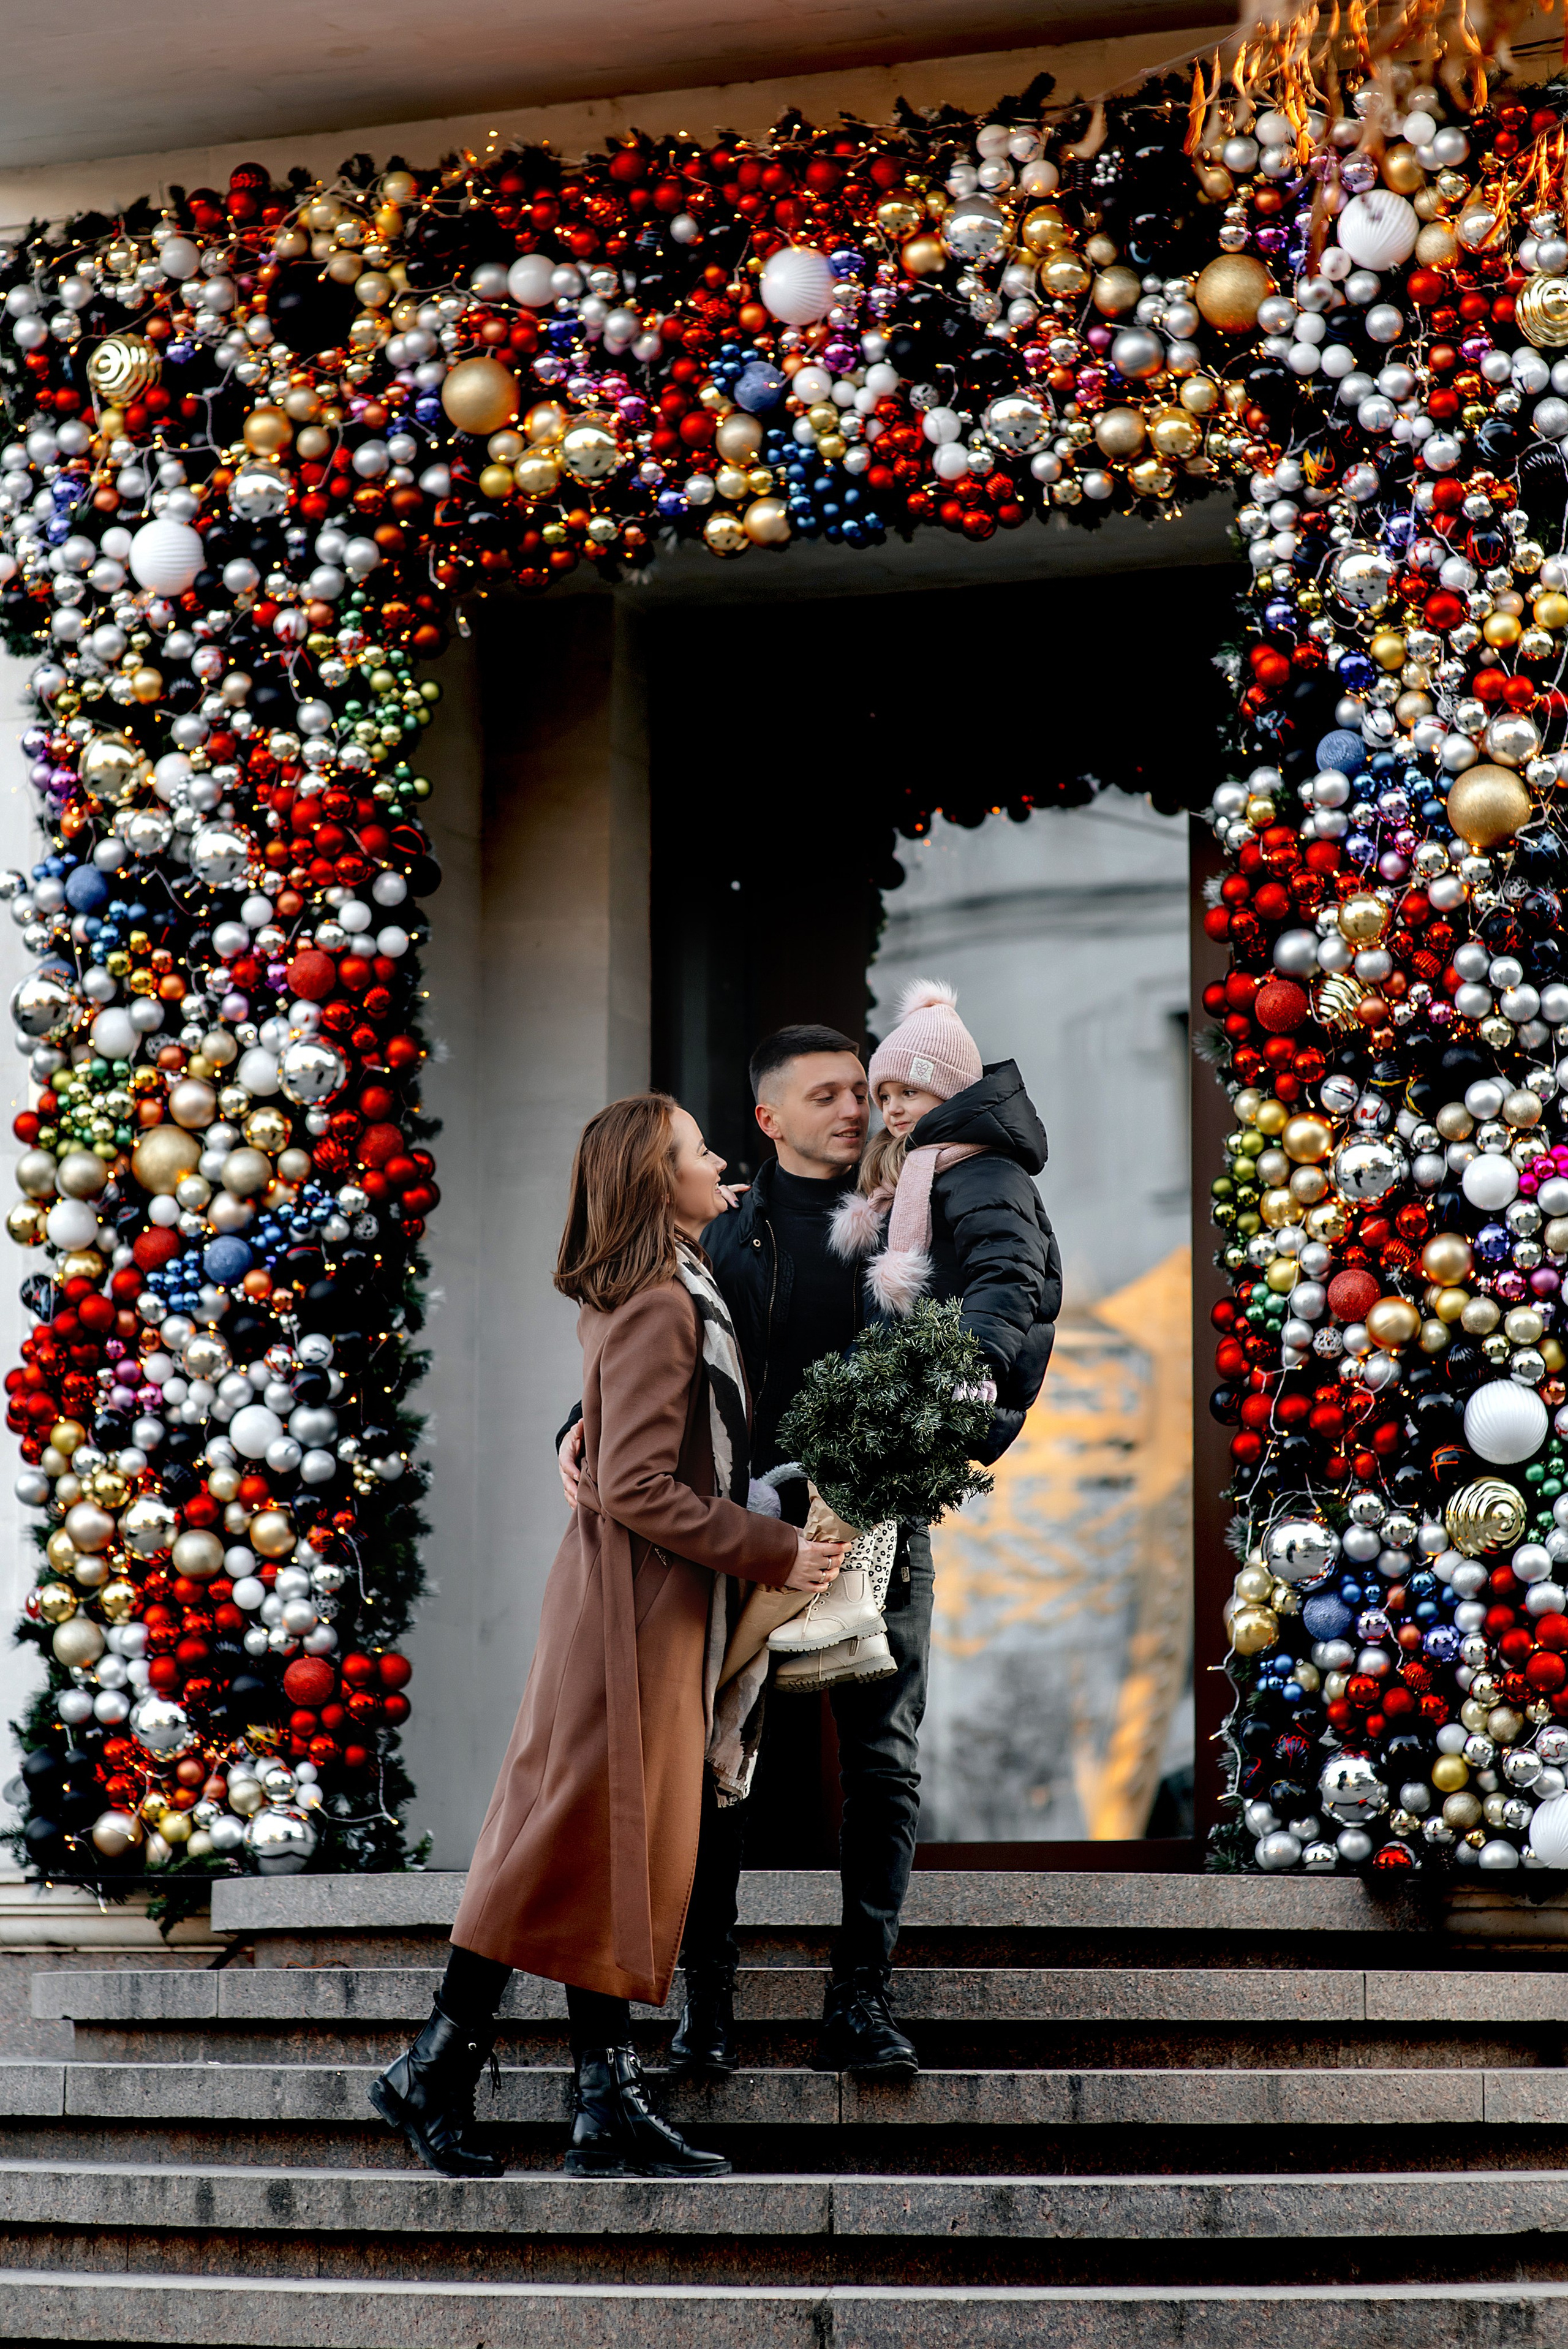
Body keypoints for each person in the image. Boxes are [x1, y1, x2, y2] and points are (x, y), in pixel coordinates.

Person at [369, 1092, 846, 2180]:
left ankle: (596, 2098)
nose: (720, 1161)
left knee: (602, 1843)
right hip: (630, 1612)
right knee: (562, 1836)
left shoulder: (668, 1289)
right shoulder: (661, 1305)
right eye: (698, 1151)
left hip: (642, 1605)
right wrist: (775, 1550)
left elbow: (629, 1452)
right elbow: (634, 1482)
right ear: (655, 1182)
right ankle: (447, 2065)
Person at [832, 979, 1062, 1464]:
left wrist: (972, 1365)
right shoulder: (908, 1171)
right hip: (908, 1396)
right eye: (884, 1096)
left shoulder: (985, 1171)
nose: (893, 1108)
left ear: (949, 1092)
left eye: (909, 1091)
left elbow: (1009, 1272)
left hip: (953, 1389)